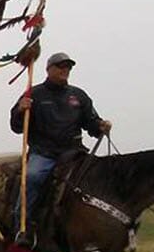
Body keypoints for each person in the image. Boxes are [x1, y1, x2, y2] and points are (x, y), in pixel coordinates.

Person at [10, 52, 111, 241]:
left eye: (68, 67)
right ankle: (22, 226)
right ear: (49, 69)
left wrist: (100, 126)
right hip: (44, 153)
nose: (65, 70)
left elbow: (91, 123)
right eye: (60, 66)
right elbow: (16, 127)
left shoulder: (78, 96)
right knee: (31, 178)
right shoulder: (34, 94)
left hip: (74, 153)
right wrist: (20, 110)